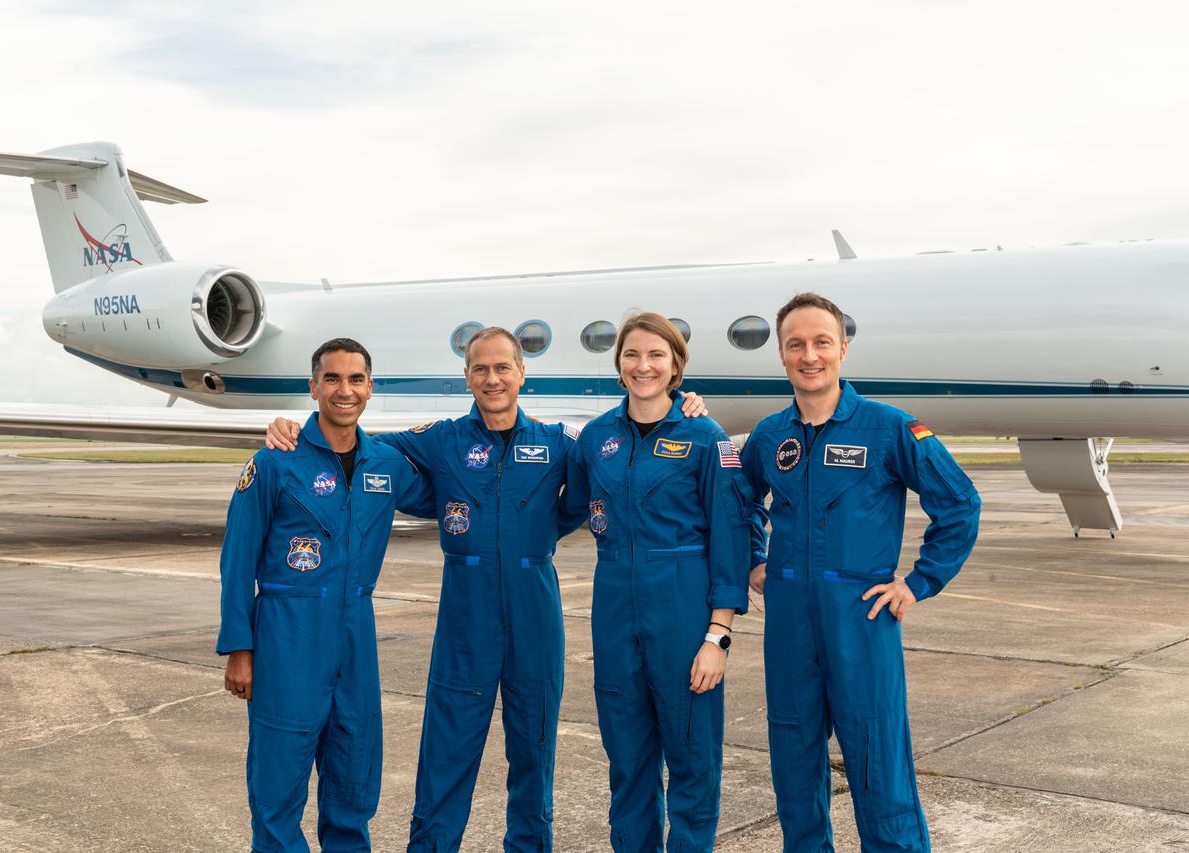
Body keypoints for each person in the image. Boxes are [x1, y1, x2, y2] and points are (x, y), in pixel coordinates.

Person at [264, 327, 709, 852]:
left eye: (503, 367)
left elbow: (603, 479)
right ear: (467, 377)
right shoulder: (442, 438)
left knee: (533, 750)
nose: (492, 378)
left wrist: (683, 402)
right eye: (480, 368)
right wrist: (292, 426)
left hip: (534, 610)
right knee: (448, 749)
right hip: (465, 613)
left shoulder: (560, 444)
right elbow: (352, 440)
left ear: (522, 373)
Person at [740, 293, 981, 852]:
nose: (810, 355)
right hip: (790, 623)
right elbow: (740, 500)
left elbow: (960, 503)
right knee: (794, 763)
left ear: (843, 348)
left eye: (822, 342)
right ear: (781, 354)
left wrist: (918, 582)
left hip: (862, 617)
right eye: (796, 344)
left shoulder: (890, 428)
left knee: (879, 764)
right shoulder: (770, 435)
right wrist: (756, 557)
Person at [218, 338, 432, 853]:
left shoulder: (387, 463)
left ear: (370, 388)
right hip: (287, 636)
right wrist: (239, 650)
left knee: (354, 776)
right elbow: (237, 560)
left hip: (356, 635)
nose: (344, 390)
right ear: (313, 387)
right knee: (278, 784)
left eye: (356, 379)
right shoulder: (275, 463)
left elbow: (451, 494)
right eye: (332, 379)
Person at [562, 312, 752, 852]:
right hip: (615, 607)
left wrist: (718, 636)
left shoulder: (705, 435)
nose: (642, 366)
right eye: (631, 355)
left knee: (692, 759)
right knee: (626, 758)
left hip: (683, 605)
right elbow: (569, 507)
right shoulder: (596, 437)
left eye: (655, 356)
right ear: (618, 365)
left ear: (675, 367)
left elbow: (730, 536)